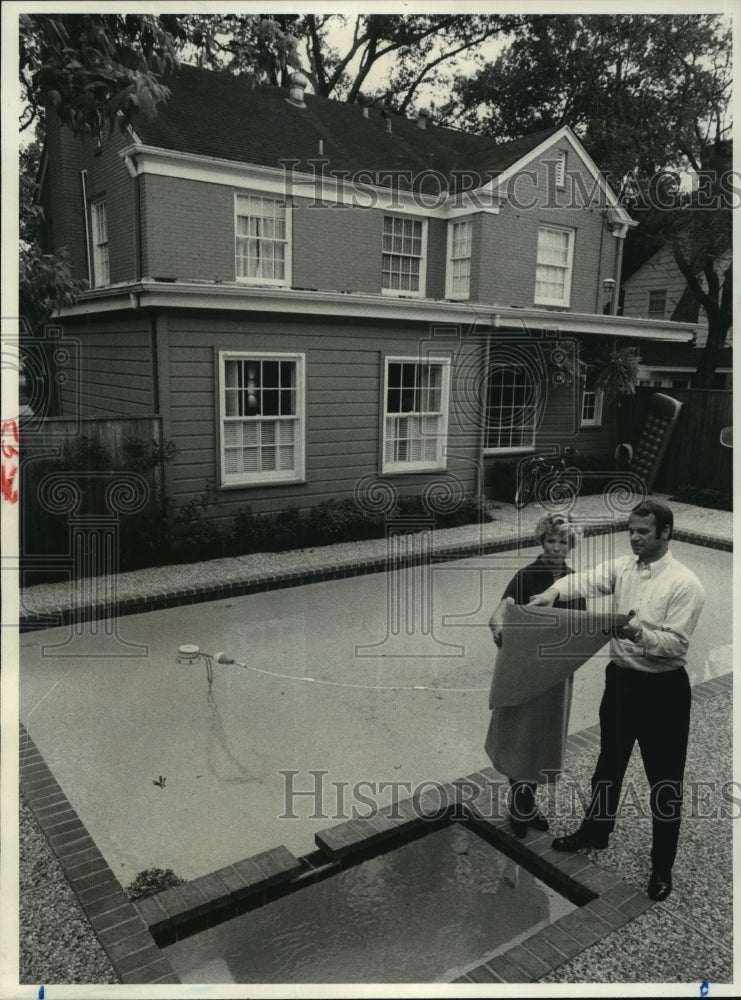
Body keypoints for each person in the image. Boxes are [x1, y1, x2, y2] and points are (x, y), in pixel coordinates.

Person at [528, 499, 705, 902]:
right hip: (622, 684)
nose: (635, 538)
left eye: (644, 532)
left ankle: (662, 866)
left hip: (663, 691)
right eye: (632, 531)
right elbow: (585, 580)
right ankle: (596, 831)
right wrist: (552, 593)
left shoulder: (685, 583)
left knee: (665, 781)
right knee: (608, 766)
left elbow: (676, 644)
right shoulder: (623, 567)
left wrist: (637, 634)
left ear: (666, 533)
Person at [487, 513, 586, 838]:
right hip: (525, 670)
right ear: (541, 541)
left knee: (542, 737)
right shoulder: (526, 575)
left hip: (556, 673)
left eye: (562, 542)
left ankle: (528, 804)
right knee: (519, 736)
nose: (556, 547)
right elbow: (504, 609)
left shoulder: (574, 582)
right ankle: (520, 805)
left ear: (571, 545)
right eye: (550, 540)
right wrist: (499, 621)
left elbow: (581, 627)